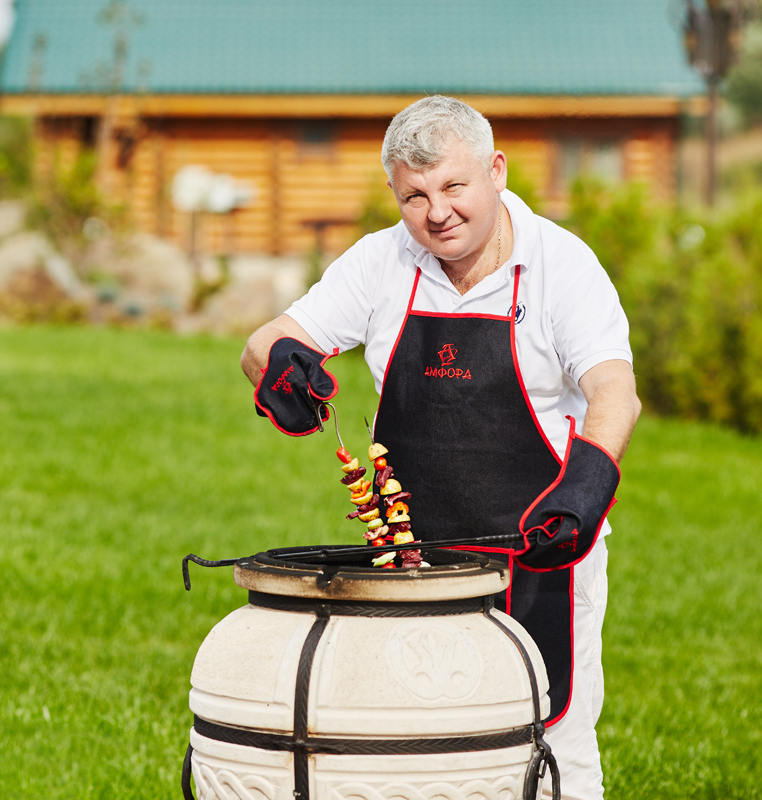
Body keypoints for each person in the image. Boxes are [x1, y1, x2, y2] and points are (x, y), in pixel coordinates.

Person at [240, 95, 641, 800]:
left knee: (553, 738)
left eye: (454, 186)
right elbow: (264, 342)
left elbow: (614, 392)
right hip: (411, 561)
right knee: (408, 741)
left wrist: (583, 494)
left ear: (496, 170)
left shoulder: (563, 267)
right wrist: (282, 365)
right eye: (414, 196)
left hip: (543, 551)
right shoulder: (381, 261)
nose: (437, 212)